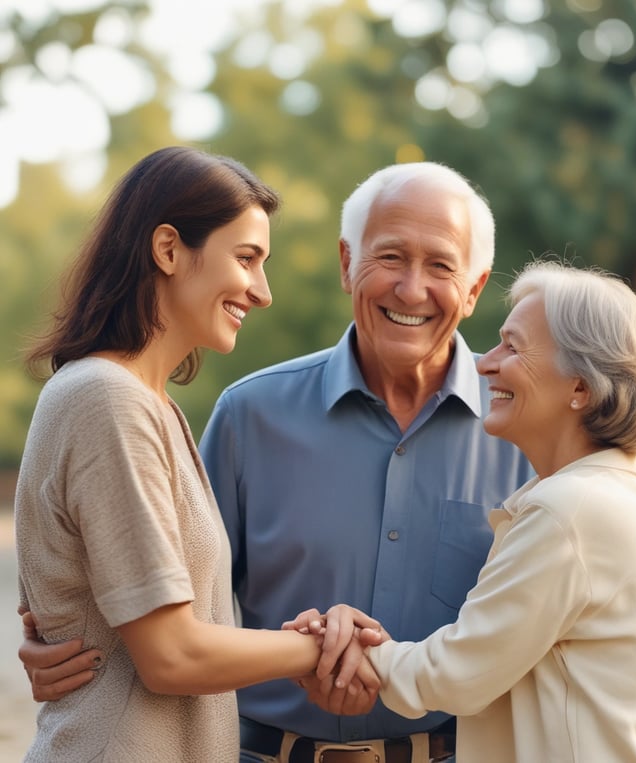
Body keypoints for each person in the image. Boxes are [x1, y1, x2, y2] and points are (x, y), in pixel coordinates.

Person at [19, 161, 532, 762]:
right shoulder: (239, 414)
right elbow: (171, 632)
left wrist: (72, 620)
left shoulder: (530, 434)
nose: (412, 288)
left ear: (474, 289)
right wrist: (65, 625)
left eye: (441, 265)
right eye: (390, 257)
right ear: (347, 263)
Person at [14, 145, 379, 763]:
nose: (262, 292)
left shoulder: (147, 405)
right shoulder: (107, 400)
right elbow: (172, 655)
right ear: (167, 250)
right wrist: (324, 647)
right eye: (246, 259)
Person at [298, 260, 636, 762]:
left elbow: (457, 672)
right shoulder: (623, 495)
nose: (483, 363)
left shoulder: (570, 511)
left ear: (580, 387)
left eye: (512, 347)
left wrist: (342, 651)